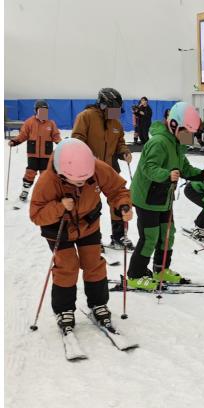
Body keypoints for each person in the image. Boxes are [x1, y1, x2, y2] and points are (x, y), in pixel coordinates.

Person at [29, 138, 132, 332]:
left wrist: (123, 206)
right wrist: (60, 207)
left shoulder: (96, 167)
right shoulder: (48, 180)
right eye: (77, 181)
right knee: (67, 267)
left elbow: (117, 190)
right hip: (58, 228)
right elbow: (36, 214)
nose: (82, 183)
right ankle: (64, 309)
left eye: (85, 179)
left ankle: (98, 303)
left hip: (88, 224)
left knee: (93, 263)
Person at [126, 102, 204, 290]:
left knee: (167, 234)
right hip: (147, 197)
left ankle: (160, 269)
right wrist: (166, 175)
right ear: (174, 125)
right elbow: (148, 168)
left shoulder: (177, 144)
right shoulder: (158, 142)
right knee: (150, 237)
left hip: (164, 198)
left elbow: (185, 168)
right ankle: (135, 275)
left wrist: (201, 175)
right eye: (186, 132)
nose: (189, 138)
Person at [72, 87, 134, 250]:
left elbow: (120, 142)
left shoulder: (116, 124)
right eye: (113, 109)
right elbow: (77, 140)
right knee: (91, 205)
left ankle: (119, 236)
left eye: (118, 110)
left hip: (110, 169)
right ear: (103, 105)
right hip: (89, 170)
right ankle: (93, 239)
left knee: (118, 201)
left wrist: (125, 152)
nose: (116, 113)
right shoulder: (85, 117)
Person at [8, 99, 61, 202]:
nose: (43, 112)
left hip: (46, 154)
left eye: (45, 110)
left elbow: (56, 136)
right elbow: (23, 135)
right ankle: (25, 191)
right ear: (36, 111)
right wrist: (15, 141)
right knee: (30, 172)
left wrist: (61, 143)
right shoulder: (29, 122)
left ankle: (47, 194)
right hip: (33, 153)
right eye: (41, 110)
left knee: (46, 175)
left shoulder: (51, 123)